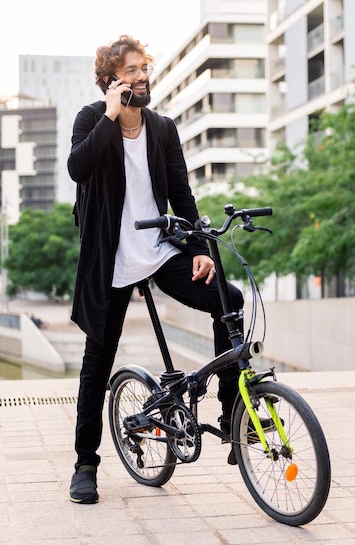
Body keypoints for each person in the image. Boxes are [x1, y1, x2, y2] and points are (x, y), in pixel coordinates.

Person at [67, 35, 243, 504]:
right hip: (111, 261)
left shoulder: (162, 128)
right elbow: (78, 169)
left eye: (145, 68)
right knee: (96, 362)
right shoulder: (92, 119)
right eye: (131, 71)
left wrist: (203, 247)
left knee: (229, 300)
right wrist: (110, 114)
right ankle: (86, 464)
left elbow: (183, 195)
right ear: (111, 80)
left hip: (162, 250)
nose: (143, 76)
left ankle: (232, 413)